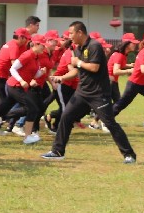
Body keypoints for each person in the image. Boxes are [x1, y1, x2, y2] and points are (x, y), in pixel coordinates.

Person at [42, 21, 137, 164]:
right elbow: (76, 70)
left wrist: (78, 62)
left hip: (98, 94)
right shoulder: (79, 48)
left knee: (110, 123)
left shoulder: (94, 46)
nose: (70, 36)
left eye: (72, 33)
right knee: (66, 116)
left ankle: (129, 155)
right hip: (82, 92)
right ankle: (57, 151)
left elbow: (94, 67)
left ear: (80, 32)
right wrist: (61, 77)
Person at [111, 31, 144, 128]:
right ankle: (104, 119)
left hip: (142, 83)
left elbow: (142, 68)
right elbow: (143, 69)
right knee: (121, 105)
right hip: (134, 83)